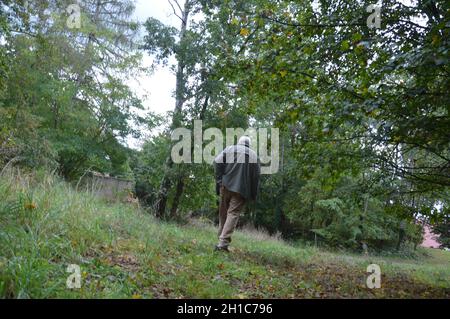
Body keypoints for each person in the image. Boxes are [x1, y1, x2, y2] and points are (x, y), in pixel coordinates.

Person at [213, 136, 261, 252]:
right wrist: (253, 195)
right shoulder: (254, 156)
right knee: (233, 214)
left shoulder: (229, 149)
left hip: (225, 186)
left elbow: (216, 162)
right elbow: (256, 178)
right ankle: (222, 243)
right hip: (241, 190)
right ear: (249, 144)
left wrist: (219, 181)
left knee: (223, 213)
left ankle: (221, 240)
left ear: (239, 142)